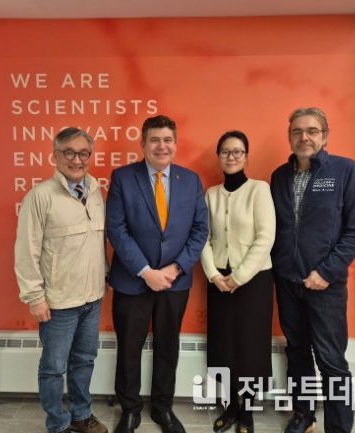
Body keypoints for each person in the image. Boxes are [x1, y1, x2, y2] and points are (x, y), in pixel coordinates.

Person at [270, 108, 355, 433]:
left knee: (331, 360)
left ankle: (339, 427)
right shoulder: (279, 176)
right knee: (297, 352)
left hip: (326, 286)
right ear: (290, 137)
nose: (304, 137)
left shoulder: (346, 171)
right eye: (297, 131)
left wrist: (326, 272)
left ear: (325, 136)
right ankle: (304, 416)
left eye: (312, 131)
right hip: (288, 282)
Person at [106, 115, 208, 433]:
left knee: (168, 346)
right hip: (132, 280)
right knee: (129, 348)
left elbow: (200, 230)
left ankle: (162, 408)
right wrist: (146, 271)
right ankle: (130, 410)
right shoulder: (123, 178)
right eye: (154, 140)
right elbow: (117, 229)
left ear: (175, 144)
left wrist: (175, 268)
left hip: (174, 282)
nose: (161, 146)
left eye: (167, 140)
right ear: (143, 143)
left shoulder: (190, 180)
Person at [14, 127, 108, 433]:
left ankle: (81, 415)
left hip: (92, 298)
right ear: (55, 155)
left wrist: (104, 277)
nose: (77, 160)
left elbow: (99, 242)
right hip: (58, 303)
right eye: (69, 152)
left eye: (83, 153)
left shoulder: (96, 192)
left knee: (84, 361)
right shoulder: (40, 197)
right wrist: (35, 297)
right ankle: (57, 423)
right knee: (54, 368)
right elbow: (26, 251)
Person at [200, 130, 276, 433]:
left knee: (249, 345)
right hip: (219, 281)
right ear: (218, 157)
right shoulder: (210, 194)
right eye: (225, 152)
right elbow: (202, 238)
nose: (231, 157)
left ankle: (247, 410)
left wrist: (239, 277)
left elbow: (266, 237)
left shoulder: (259, 189)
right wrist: (214, 275)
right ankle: (230, 405)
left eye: (237, 152)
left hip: (254, 281)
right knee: (224, 345)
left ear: (246, 156)